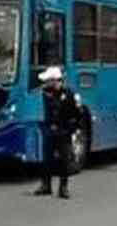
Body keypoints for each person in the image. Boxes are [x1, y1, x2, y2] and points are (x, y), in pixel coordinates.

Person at [34, 66, 82, 199]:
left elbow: (77, 113)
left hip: (63, 132)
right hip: (49, 130)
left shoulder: (69, 94)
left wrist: (71, 129)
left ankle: (63, 187)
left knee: (64, 160)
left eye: (48, 80)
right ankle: (46, 185)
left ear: (56, 80)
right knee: (47, 159)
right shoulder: (45, 93)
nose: (46, 83)